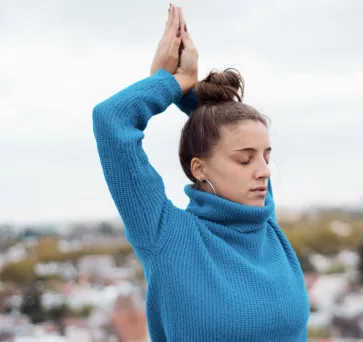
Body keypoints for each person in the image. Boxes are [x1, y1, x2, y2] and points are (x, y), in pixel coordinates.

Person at [92, 4, 310, 341]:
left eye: (266, 156)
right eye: (245, 159)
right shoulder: (166, 236)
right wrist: (169, 84)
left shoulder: (264, 224)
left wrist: (194, 93)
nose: (264, 171)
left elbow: (218, 130)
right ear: (199, 168)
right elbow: (112, 120)